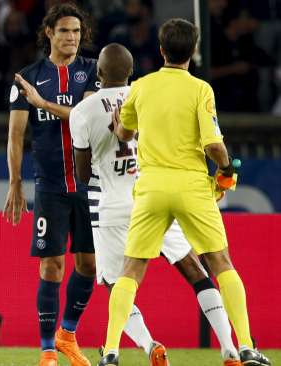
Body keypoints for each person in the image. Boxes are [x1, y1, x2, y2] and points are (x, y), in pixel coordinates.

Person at [98, 19, 271, 366]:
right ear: (193, 51)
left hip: (150, 188)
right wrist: (226, 172)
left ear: (160, 50)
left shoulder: (141, 88)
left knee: (131, 270)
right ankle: (247, 347)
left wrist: (117, 122)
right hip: (191, 186)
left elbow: (125, 134)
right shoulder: (200, 90)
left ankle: (112, 351)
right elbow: (214, 145)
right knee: (220, 263)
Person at [71, 43, 241, 366]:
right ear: (131, 71)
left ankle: (144, 346)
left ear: (99, 73)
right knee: (194, 268)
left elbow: (82, 174)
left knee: (116, 281)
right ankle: (229, 347)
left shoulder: (83, 111)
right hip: (152, 195)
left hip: (112, 205)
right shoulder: (145, 92)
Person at [3, 3, 98, 366]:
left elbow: (87, 117)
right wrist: (15, 182)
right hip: (50, 187)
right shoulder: (28, 77)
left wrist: (43, 103)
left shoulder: (92, 72)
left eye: (76, 31)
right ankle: (46, 351)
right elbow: (15, 137)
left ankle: (67, 334)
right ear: (49, 33)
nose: (71, 38)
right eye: (64, 31)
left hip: (89, 186)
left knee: (88, 265)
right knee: (51, 266)